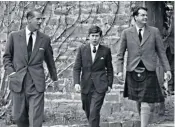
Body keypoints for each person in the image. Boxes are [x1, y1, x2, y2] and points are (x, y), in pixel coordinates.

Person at [116, 7, 172, 127]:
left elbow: (161, 53)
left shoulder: (154, 31)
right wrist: (119, 71)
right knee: (138, 100)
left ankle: (143, 125)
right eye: (142, 15)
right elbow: (120, 54)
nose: (145, 17)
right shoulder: (126, 33)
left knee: (146, 100)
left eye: (146, 15)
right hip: (133, 70)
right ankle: (143, 120)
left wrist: (167, 69)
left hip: (149, 70)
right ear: (135, 17)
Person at [3, 10, 58, 127]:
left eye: (41, 19)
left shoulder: (45, 39)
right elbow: (7, 58)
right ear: (29, 19)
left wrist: (55, 78)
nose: (40, 22)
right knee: (19, 118)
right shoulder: (14, 36)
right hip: (19, 83)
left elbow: (50, 60)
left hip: (36, 84)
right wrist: (12, 74)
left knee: (36, 119)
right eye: (38, 19)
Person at [73, 25, 113, 127]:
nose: (94, 38)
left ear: (100, 37)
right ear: (89, 36)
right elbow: (77, 67)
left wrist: (109, 84)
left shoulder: (106, 50)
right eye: (92, 36)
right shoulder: (82, 49)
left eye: (97, 36)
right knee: (88, 111)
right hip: (86, 85)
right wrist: (76, 83)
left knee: (94, 111)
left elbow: (110, 69)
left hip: (100, 86)